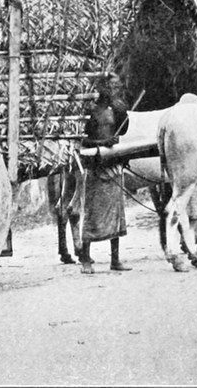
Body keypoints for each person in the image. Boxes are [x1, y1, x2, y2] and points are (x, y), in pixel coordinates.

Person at [77, 72, 131, 274]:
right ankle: (85, 260)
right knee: (92, 214)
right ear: (102, 88)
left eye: (118, 87)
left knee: (117, 214)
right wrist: (102, 143)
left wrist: (123, 112)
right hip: (96, 166)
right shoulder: (90, 111)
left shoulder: (114, 109)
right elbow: (82, 140)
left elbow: (123, 131)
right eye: (112, 87)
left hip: (113, 166)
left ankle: (115, 259)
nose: (115, 90)